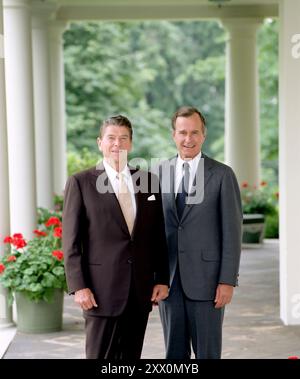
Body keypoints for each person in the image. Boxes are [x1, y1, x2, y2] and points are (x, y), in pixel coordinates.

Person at [63, 115, 169, 359]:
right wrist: (79, 286)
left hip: (139, 290)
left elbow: (158, 235)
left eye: (123, 138)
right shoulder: (80, 183)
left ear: (131, 144)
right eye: (111, 138)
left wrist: (162, 278)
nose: (117, 144)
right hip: (100, 291)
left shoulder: (148, 181)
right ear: (100, 142)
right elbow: (71, 241)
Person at [158, 106, 242, 359]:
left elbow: (232, 232)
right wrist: (153, 277)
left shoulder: (222, 175)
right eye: (182, 132)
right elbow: (153, 231)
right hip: (169, 282)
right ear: (173, 135)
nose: (188, 139)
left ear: (203, 136)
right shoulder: (158, 173)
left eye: (195, 132)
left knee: (208, 353)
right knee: (173, 355)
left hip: (208, 282)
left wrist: (227, 280)